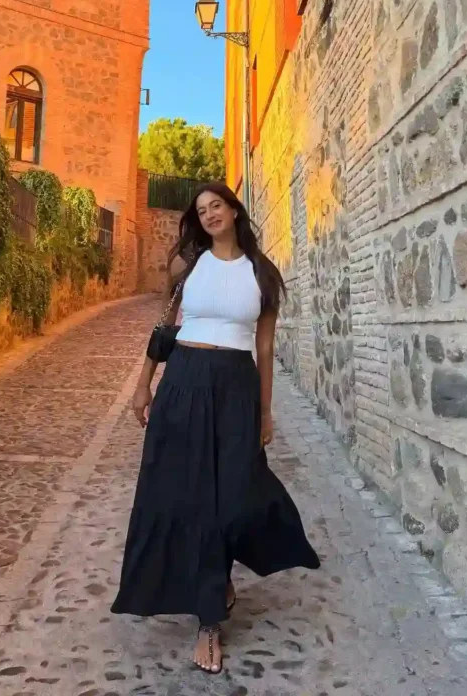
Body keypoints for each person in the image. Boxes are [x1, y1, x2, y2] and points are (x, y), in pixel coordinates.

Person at [111, 182, 320, 674]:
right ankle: (208, 619)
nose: (208, 215)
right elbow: (164, 331)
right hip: (183, 380)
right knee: (188, 500)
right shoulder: (188, 266)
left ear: (233, 210)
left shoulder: (262, 274)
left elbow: (264, 351)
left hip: (235, 387)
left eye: (216, 206)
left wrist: (265, 412)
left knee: (234, 500)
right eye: (201, 209)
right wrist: (143, 387)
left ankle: (222, 569)